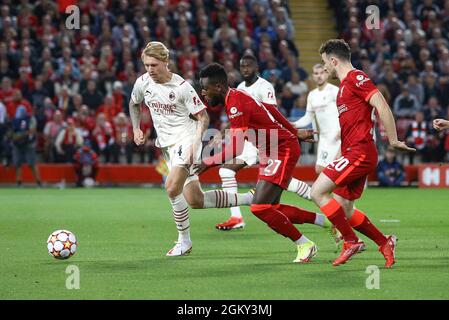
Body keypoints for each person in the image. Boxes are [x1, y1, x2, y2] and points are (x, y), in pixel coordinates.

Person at [196, 62, 335, 263]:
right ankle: (327, 223)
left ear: (218, 86)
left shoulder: (236, 103)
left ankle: (305, 244)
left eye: (205, 89)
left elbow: (236, 149)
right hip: (270, 151)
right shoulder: (235, 97)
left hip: (282, 150)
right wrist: (294, 131)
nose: (203, 94)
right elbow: (271, 111)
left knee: (259, 207)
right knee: (272, 208)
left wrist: (206, 163)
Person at [129, 42, 254, 257]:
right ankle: (250, 198)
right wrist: (135, 128)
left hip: (186, 141)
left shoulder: (181, 87)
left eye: (154, 65)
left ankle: (184, 241)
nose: (150, 70)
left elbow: (203, 117)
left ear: (166, 63)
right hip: (167, 146)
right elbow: (133, 104)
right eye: (147, 65)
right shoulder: (143, 82)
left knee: (171, 188)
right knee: (195, 200)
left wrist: (195, 145)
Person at [311, 39, 415, 267]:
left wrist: (394, 139)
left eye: (324, 63)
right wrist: (339, 155)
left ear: (333, 60)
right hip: (352, 152)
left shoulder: (357, 78)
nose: (324, 68)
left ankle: (351, 241)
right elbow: (348, 128)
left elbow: (382, 106)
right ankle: (384, 242)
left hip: (360, 152)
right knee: (345, 209)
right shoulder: (343, 89)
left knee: (317, 192)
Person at [216, 54, 313, 231]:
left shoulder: (264, 86)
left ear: (256, 68)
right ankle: (236, 217)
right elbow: (239, 116)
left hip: (267, 139)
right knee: (228, 171)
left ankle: (321, 199)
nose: (245, 69)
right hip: (252, 140)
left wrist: (292, 131)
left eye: (248, 66)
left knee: (274, 183)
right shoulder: (239, 87)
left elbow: (272, 112)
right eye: (242, 66)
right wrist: (224, 131)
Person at [292, 64, 341, 174]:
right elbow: (308, 117)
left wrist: (342, 129)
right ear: (313, 76)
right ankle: (337, 191)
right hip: (324, 138)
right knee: (320, 169)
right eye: (316, 73)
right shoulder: (312, 95)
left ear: (327, 74)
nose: (319, 76)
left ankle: (344, 190)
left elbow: (344, 111)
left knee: (333, 170)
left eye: (322, 73)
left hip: (337, 136)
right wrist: (294, 124)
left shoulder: (334, 91)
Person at [11, 106, 41, 186]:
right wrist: (15, 137)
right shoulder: (15, 119)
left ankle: (38, 182)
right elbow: (12, 132)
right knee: (17, 164)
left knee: (32, 163)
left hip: (29, 143)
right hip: (17, 144)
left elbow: (31, 131)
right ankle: (18, 182)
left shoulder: (31, 119)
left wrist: (20, 135)